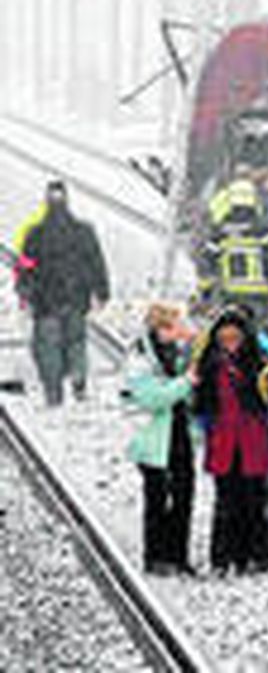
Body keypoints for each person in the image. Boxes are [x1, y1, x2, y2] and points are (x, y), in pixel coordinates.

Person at [193, 306, 268, 576]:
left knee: (253, 499)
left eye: (235, 339)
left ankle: (253, 555)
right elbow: (200, 405)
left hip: (252, 439)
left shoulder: (258, 364)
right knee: (226, 500)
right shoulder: (209, 366)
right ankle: (224, 558)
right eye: (225, 339)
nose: (230, 345)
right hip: (224, 440)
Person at [19, 181, 109, 405]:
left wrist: (25, 293)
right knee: (76, 341)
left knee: (49, 347)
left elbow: (25, 267)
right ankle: (78, 377)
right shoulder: (84, 231)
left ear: (46, 202)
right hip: (76, 299)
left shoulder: (35, 235)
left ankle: (54, 394)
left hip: (45, 302)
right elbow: (96, 262)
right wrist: (102, 291)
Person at [125, 301, 196, 577]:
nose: (182, 330)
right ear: (163, 328)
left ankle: (178, 556)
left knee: (183, 495)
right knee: (157, 497)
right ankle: (155, 557)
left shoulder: (177, 352)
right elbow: (152, 397)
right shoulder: (141, 357)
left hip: (178, 433)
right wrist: (187, 382)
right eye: (178, 326)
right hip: (152, 437)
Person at [199, 179, 268, 326]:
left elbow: (207, 263)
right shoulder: (262, 229)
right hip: (259, 294)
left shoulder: (220, 231)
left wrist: (206, 293)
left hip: (231, 293)